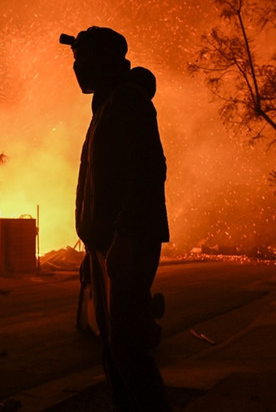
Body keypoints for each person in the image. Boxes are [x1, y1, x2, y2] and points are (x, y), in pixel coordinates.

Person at [61, 26, 170, 411]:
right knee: (114, 349)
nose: (78, 71)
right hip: (106, 246)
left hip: (127, 243)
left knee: (128, 350)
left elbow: (147, 171)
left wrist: (123, 235)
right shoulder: (107, 105)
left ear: (104, 60)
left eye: (83, 62)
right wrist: (91, 250)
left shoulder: (127, 101)